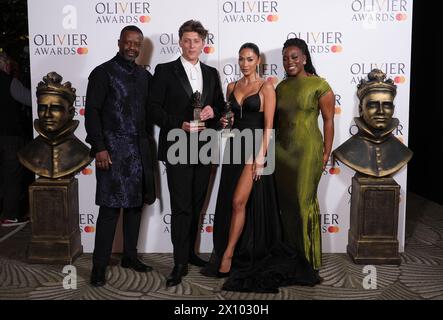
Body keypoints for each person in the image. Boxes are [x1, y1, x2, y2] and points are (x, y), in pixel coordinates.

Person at [202, 43, 320, 293]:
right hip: (233, 148)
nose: (245, 64)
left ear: (258, 62)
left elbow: (269, 127)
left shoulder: (267, 87)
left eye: (250, 59)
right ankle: (233, 250)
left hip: (254, 149)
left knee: (238, 202)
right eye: (241, 59)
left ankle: (229, 255)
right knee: (229, 203)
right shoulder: (232, 87)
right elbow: (231, 119)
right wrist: (225, 120)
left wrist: (260, 157)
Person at [149, 20, 224, 287]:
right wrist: (177, 123)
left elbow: (221, 109)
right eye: (187, 40)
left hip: (204, 148)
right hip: (178, 145)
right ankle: (179, 262)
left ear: (203, 43)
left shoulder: (212, 73)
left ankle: (191, 253)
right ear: (180, 42)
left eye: (197, 41)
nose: (192, 45)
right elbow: (154, 108)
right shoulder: (165, 70)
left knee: (196, 205)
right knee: (181, 207)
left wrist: (214, 112)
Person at [84, 25, 156, 287]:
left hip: (138, 152)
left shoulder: (144, 76)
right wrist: (99, 147)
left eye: (137, 44)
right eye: (128, 42)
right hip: (111, 152)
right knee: (109, 210)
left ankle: (129, 257)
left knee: (135, 207)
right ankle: (99, 266)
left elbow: (150, 113)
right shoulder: (102, 73)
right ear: (119, 43)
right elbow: (91, 112)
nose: (132, 47)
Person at [274, 38, 335, 272]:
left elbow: (329, 121)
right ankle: (290, 254)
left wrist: (326, 152)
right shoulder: (281, 87)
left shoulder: (320, 85)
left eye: (294, 57)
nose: (289, 61)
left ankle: (308, 259)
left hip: (307, 151)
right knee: (286, 205)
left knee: (303, 203)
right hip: (282, 153)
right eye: (286, 58)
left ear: (305, 58)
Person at [333, 68, 412, 177]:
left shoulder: (404, 153)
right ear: (361, 109)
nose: (380, 111)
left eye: (387, 105)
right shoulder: (344, 152)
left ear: (393, 108)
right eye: (373, 105)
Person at [17, 72, 92, 179]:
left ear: (70, 112)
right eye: (42, 108)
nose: (47, 114)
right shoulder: (26, 153)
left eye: (56, 108)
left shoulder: (83, 154)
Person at [0, 51, 32, 227]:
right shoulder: (9, 82)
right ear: (4, 63)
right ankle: (10, 216)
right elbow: (29, 100)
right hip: (10, 136)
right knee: (12, 175)